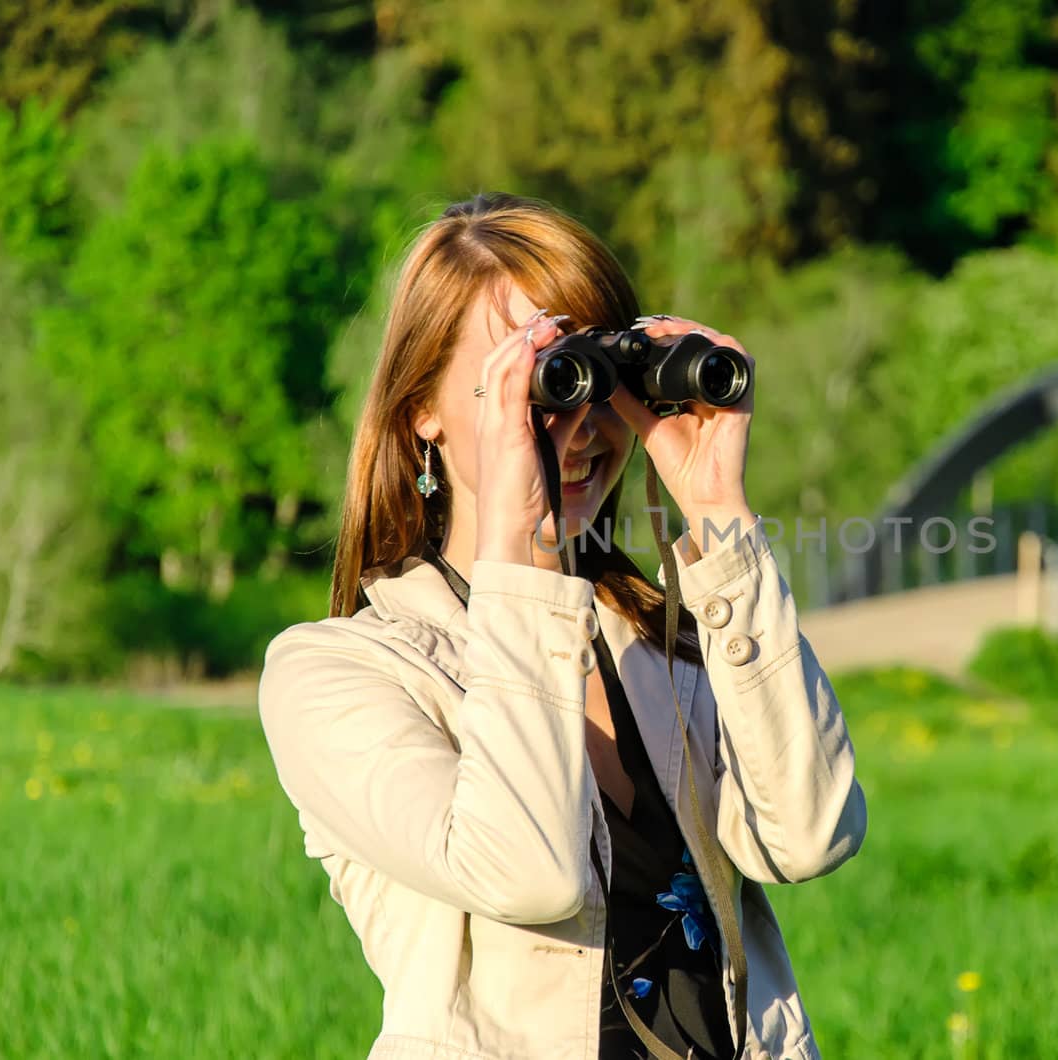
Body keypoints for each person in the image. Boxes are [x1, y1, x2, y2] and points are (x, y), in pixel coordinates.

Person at [256, 192, 867, 1060]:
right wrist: (521, 546)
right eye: (543, 379)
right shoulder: (338, 673)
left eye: (599, 374)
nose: (580, 424)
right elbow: (526, 872)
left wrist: (717, 512)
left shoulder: (668, 643)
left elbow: (808, 837)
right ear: (421, 411)